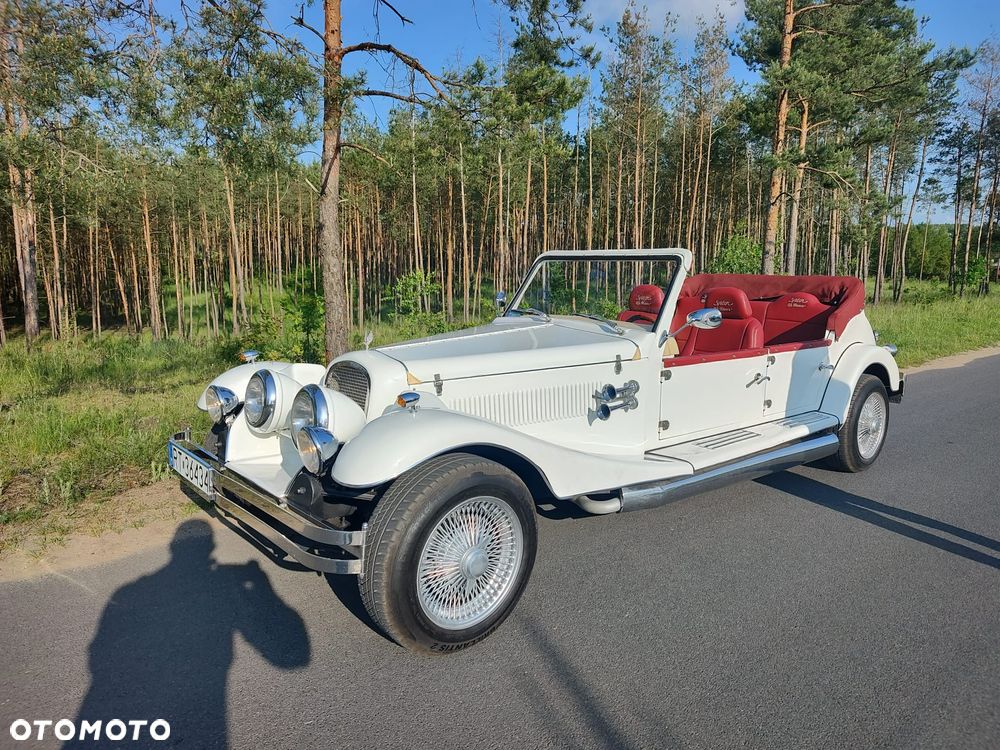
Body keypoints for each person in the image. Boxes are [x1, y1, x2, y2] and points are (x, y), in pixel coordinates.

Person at [65, 519, 310, 749]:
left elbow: (97, 656)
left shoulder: (127, 592)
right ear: (211, 547)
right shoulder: (223, 586)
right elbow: (292, 658)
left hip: (101, 708)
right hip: (202, 706)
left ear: (172, 546)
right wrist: (262, 586)